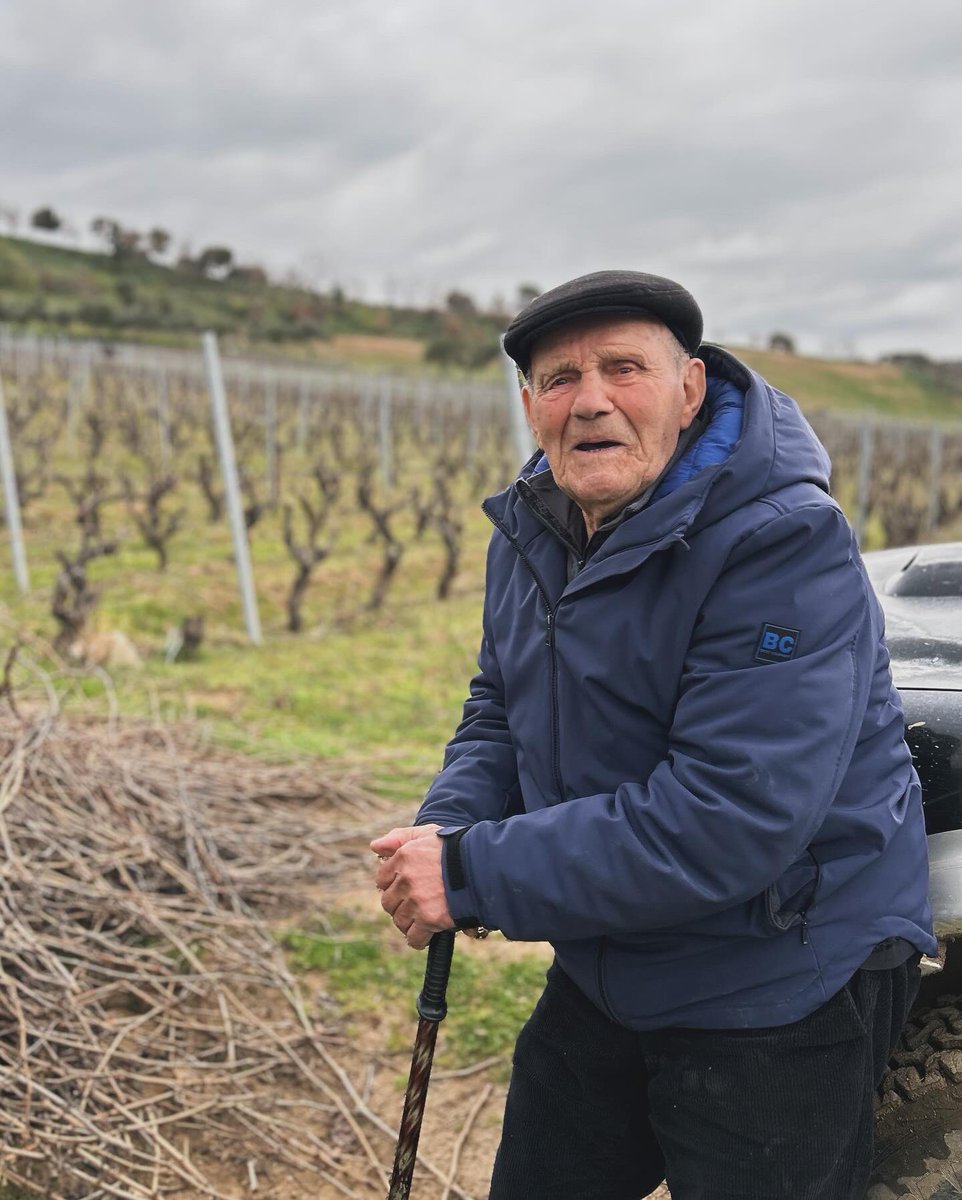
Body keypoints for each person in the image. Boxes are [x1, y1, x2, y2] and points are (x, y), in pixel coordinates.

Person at [371, 270, 936, 1200]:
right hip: (611, 956)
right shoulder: (532, 530)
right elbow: (501, 708)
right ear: (530, 406)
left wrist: (474, 871)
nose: (589, 399)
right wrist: (446, 832)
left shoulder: (783, 543)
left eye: (622, 369)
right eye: (559, 379)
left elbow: (730, 817)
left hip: (777, 973)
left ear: (689, 389)